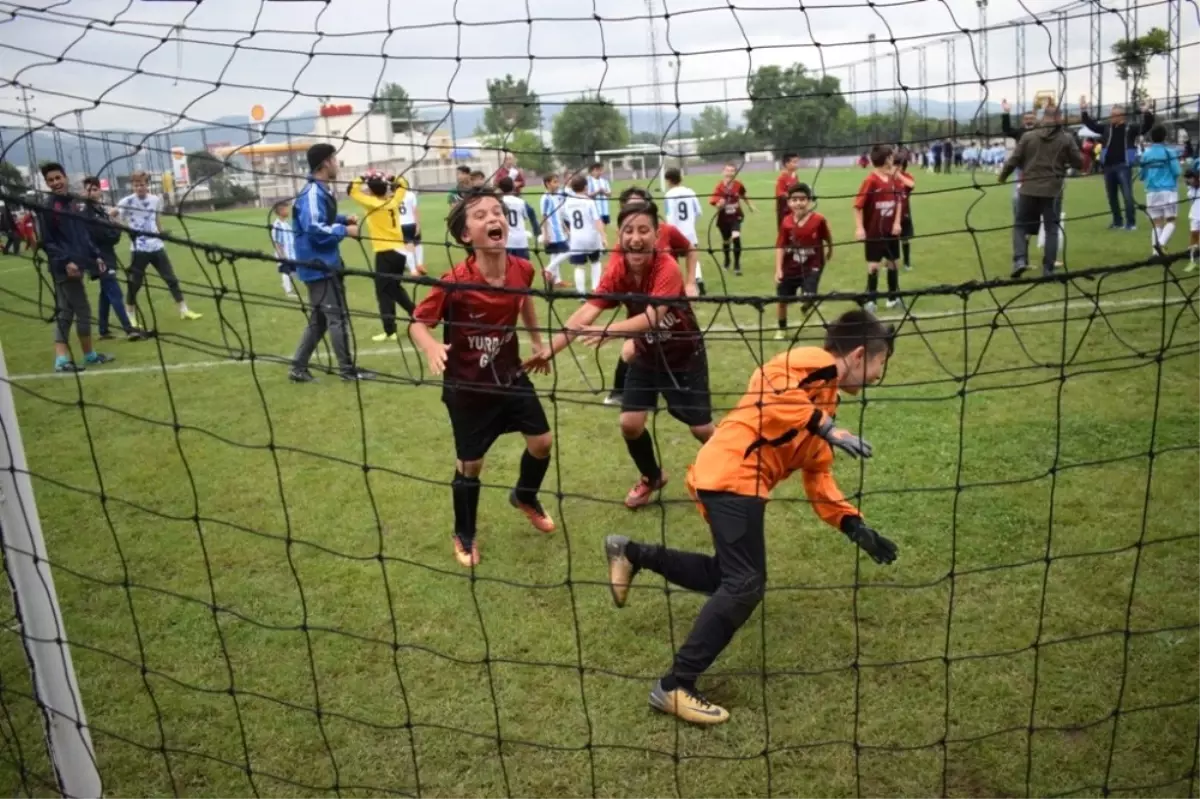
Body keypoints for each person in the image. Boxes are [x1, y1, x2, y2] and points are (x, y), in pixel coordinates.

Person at [602, 309, 898, 725]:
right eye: (879, 365)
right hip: (732, 475)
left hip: (729, 479)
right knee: (745, 584)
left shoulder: (824, 401)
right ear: (861, 354)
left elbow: (818, 471)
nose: (876, 378)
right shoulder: (818, 363)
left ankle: (631, 552)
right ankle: (675, 686)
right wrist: (824, 426)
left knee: (728, 576)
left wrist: (852, 523)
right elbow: (769, 381)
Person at [526, 201, 712, 509]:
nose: (635, 238)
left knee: (702, 429)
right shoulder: (618, 271)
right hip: (646, 355)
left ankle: (736, 466)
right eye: (628, 230)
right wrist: (549, 350)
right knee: (629, 423)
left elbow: (653, 317)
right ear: (619, 236)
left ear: (657, 234)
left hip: (683, 355)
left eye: (643, 230)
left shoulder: (666, 267)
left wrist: (608, 331)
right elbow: (586, 311)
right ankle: (652, 477)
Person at [408, 188, 554, 567]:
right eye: (481, 215)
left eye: (497, 212)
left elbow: (524, 299)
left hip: (509, 377)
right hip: (468, 389)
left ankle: (524, 495)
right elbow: (417, 324)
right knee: (471, 466)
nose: (493, 218)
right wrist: (430, 347)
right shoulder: (454, 282)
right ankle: (464, 532)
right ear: (465, 236)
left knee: (542, 442)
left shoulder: (522, 268)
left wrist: (537, 341)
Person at [604, 187, 699, 407]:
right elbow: (612, 277)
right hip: (640, 313)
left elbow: (690, 249)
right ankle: (622, 392)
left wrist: (691, 281)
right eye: (629, 207)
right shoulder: (622, 246)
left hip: (670, 315)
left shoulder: (667, 231)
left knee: (672, 353)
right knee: (631, 352)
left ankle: (675, 391)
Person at [288, 143, 373, 383]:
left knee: (320, 321)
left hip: (322, 264)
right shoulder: (313, 193)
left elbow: (321, 218)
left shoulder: (320, 190)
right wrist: (345, 230)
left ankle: (297, 368)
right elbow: (315, 229)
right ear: (325, 162)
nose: (337, 163)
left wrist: (343, 219)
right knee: (337, 319)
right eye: (334, 159)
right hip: (319, 266)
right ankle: (347, 370)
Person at [37, 163, 115, 372]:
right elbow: (48, 242)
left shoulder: (73, 204)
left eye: (58, 178)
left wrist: (96, 255)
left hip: (78, 264)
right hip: (64, 268)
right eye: (50, 180)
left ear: (65, 177)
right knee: (83, 310)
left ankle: (62, 360)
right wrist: (66, 262)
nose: (55, 183)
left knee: (66, 312)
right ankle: (88, 356)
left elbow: (82, 235)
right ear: (46, 184)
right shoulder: (48, 207)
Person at [999, 104, 1083, 277]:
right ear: (1059, 118)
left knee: (1020, 226)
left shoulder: (1028, 136)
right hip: (1052, 190)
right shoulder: (1066, 138)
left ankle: (1020, 260)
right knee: (1051, 229)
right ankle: (1048, 268)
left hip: (1028, 188)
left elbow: (1014, 159)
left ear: (1043, 118)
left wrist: (1002, 176)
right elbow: (1079, 163)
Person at [117, 169, 201, 324]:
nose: (139, 188)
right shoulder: (126, 202)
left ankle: (184, 310)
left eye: (142, 184)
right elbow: (115, 216)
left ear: (147, 185)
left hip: (156, 247)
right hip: (139, 249)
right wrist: (126, 229)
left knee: (171, 279)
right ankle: (130, 315)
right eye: (136, 185)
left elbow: (156, 219)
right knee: (135, 283)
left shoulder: (155, 199)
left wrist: (162, 233)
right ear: (132, 186)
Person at [349, 171, 412, 343]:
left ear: (370, 190)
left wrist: (362, 176)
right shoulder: (394, 200)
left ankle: (390, 331)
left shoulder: (372, 204)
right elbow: (404, 184)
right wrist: (392, 177)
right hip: (400, 252)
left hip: (385, 252)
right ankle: (417, 314)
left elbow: (351, 190)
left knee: (383, 292)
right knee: (394, 288)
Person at [82, 176, 146, 341]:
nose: (91, 193)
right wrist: (116, 231)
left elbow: (111, 229)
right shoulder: (88, 214)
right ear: (83, 192)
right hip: (99, 258)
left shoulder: (100, 211)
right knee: (114, 292)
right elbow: (107, 236)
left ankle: (103, 330)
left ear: (100, 191)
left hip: (107, 256)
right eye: (88, 190)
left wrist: (118, 228)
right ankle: (129, 329)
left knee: (106, 293)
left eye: (94, 189)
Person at [1080, 95, 1154, 230]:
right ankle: (1117, 222)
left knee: (1127, 195)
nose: (1112, 117)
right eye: (1111, 115)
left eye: (1115, 115)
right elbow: (1091, 125)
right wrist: (1084, 111)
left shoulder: (1130, 129)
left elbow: (1146, 126)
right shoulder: (1107, 128)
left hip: (1124, 166)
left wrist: (1147, 112)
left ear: (1122, 116)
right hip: (1108, 167)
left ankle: (1131, 223)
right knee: (1112, 196)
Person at [774, 183, 833, 339]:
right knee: (782, 300)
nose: (798, 203)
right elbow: (780, 245)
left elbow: (828, 237)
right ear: (789, 202)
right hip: (790, 266)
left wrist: (830, 250)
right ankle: (781, 328)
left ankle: (806, 305)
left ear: (809, 201)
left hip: (813, 265)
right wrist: (778, 269)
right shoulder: (786, 222)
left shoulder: (819, 220)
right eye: (794, 200)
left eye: (802, 199)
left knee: (809, 296)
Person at [853, 144, 907, 311]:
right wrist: (860, 228)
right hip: (874, 232)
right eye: (891, 156)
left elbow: (898, 201)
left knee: (893, 263)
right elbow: (857, 206)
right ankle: (871, 300)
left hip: (891, 231)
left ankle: (892, 298)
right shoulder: (870, 181)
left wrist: (897, 222)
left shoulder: (893, 179)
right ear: (886, 160)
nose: (893, 159)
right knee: (874, 266)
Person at [663, 167, 706, 295]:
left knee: (672, 259)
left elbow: (669, 215)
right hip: (690, 232)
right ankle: (698, 280)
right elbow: (698, 212)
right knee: (692, 257)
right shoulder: (690, 192)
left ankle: (675, 286)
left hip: (676, 233)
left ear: (669, 181)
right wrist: (690, 223)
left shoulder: (669, 195)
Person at [1140, 124, 1182, 254]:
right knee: (1171, 220)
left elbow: (1142, 175)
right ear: (1165, 137)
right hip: (1168, 190)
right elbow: (1177, 171)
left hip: (1152, 192)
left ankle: (1155, 253)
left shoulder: (1146, 154)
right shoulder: (1169, 152)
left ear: (1151, 138)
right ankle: (1161, 244)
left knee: (1157, 223)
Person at [708, 163, 755, 275]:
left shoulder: (738, 185)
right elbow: (713, 200)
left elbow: (743, 195)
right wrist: (719, 204)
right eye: (728, 170)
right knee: (726, 241)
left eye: (732, 171)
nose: (730, 173)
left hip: (736, 216)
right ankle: (727, 259)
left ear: (735, 173)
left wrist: (750, 205)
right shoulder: (719, 187)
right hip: (723, 218)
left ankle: (737, 265)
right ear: (723, 172)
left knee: (736, 237)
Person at [563, 174, 606, 295]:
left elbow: (563, 218)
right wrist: (603, 236)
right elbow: (597, 220)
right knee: (595, 262)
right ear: (586, 187)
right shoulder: (589, 201)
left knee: (579, 266)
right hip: (591, 237)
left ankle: (581, 293)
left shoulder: (568, 202)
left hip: (576, 238)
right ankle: (595, 288)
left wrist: (567, 231)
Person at [538, 173, 571, 287]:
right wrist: (545, 234)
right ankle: (548, 269)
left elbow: (559, 214)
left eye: (558, 181)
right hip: (552, 232)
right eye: (554, 182)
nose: (557, 184)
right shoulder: (545, 198)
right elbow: (544, 217)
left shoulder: (556, 196)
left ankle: (557, 281)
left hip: (559, 231)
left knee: (555, 255)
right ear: (547, 184)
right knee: (568, 251)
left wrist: (565, 228)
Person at [497, 176, 538, 260]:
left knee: (507, 269)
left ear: (500, 189)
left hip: (506, 241)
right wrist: (536, 230)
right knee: (523, 268)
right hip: (520, 241)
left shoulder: (498, 202)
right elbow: (531, 213)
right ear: (513, 187)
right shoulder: (521, 202)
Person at [395, 175, 425, 275]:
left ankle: (413, 270)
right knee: (417, 243)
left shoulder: (393, 196)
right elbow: (415, 210)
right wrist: (418, 224)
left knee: (407, 247)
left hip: (400, 225)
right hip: (412, 223)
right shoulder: (410, 194)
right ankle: (419, 265)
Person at [270, 200, 298, 296]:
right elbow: (277, 242)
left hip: (291, 254)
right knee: (287, 271)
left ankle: (285, 285)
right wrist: (282, 256)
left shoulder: (286, 224)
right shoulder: (277, 225)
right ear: (281, 211)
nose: (288, 211)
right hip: (284, 254)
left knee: (294, 272)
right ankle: (288, 291)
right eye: (286, 209)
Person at [774, 152, 800, 228]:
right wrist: (793, 196)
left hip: (794, 210)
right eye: (794, 162)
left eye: (797, 162)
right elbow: (779, 194)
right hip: (784, 211)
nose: (797, 164)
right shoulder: (782, 178)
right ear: (787, 164)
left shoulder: (795, 176)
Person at [586, 162, 612, 232]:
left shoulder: (604, 181)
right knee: (597, 229)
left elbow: (609, 194)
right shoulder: (589, 181)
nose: (599, 172)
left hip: (605, 210)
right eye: (597, 170)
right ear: (592, 171)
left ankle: (602, 241)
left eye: (600, 170)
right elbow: (587, 195)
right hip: (595, 210)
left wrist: (604, 192)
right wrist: (597, 191)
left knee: (604, 228)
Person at [1186, 170, 1200, 271]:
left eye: (1190, 178)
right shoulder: (1190, 189)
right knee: (1193, 236)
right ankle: (1192, 261)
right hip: (1194, 215)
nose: (1189, 180)